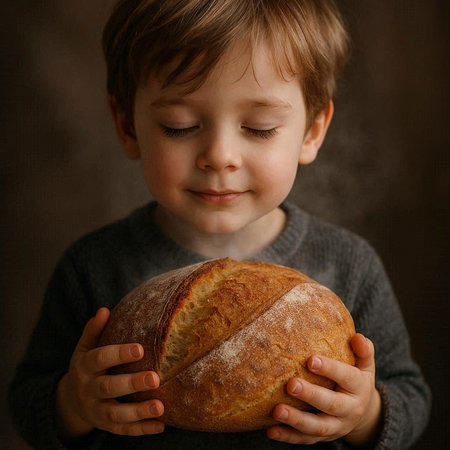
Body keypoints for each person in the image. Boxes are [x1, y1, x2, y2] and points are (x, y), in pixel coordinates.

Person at [8, 0, 431, 449]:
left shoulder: (351, 266)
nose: (220, 156)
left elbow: (411, 396)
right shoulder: (91, 268)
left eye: (260, 127)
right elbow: (27, 404)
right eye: (180, 125)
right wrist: (74, 404)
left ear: (311, 130)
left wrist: (365, 414)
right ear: (126, 124)